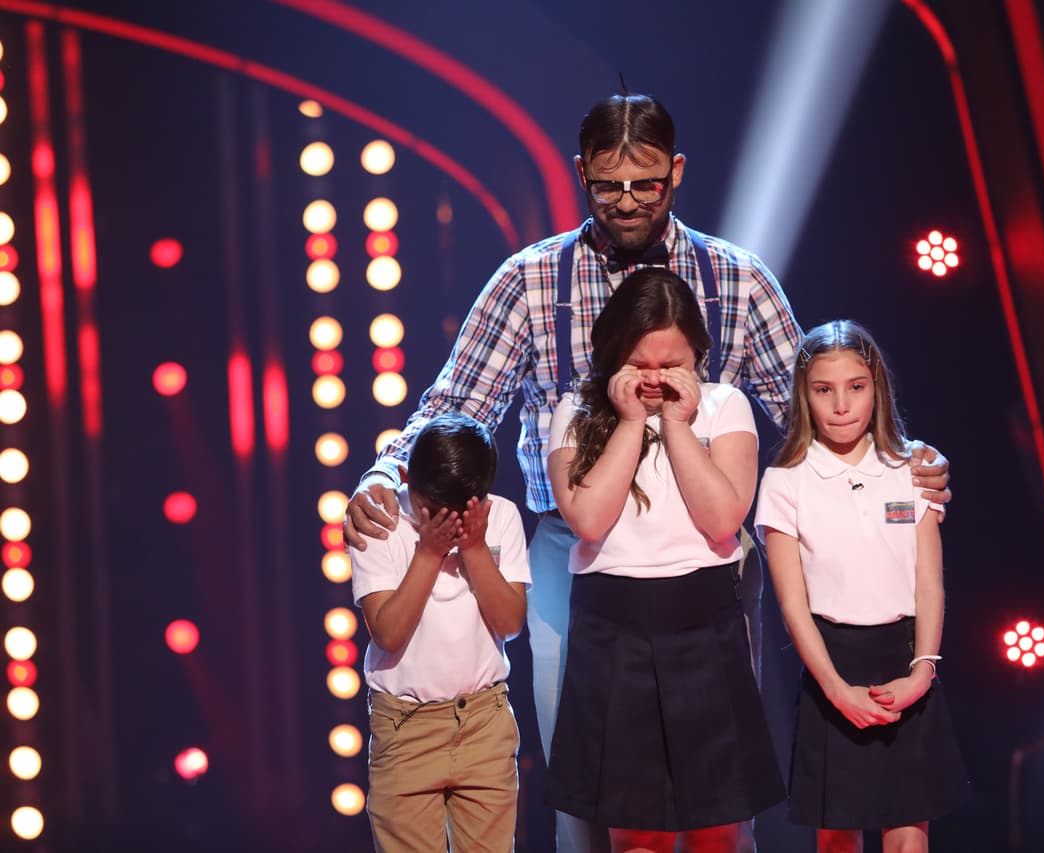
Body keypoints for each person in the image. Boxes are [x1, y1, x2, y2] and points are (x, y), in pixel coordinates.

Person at [344, 91, 953, 852]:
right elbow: (456, 403)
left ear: (678, 171)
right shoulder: (530, 280)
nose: (628, 200)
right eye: (608, 184)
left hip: (710, 554)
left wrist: (901, 459)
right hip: (576, 545)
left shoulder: (736, 277)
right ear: (581, 173)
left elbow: (812, 411)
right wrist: (384, 472)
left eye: (646, 183)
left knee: (716, 780)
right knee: (587, 773)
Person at [545, 268, 784, 853]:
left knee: (717, 829)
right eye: (639, 363)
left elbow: (722, 519)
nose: (654, 378)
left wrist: (676, 424)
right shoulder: (576, 410)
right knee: (635, 832)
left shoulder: (724, 406)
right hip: (611, 625)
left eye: (671, 364)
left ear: (697, 355)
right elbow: (589, 519)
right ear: (614, 354)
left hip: (705, 617)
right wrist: (631, 422)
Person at [754, 321, 968, 853]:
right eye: (823, 390)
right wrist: (833, 687)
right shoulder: (785, 480)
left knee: (909, 832)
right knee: (837, 836)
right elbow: (792, 604)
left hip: (906, 656)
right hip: (832, 663)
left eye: (856, 386)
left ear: (877, 387)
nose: (841, 405)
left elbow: (929, 584)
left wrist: (922, 671)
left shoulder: (911, 467)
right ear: (804, 395)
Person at [350, 413, 531, 853]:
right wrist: (429, 553)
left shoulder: (500, 516)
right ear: (406, 477)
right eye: (432, 508)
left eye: (459, 510)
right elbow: (388, 634)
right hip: (406, 729)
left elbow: (510, 623)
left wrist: (474, 547)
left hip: (484, 722)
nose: (445, 521)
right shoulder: (380, 523)